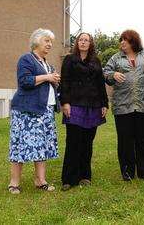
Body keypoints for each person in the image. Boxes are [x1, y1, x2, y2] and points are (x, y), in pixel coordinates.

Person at [8, 28, 60, 194]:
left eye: (51, 41)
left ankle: (40, 180)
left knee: (42, 146)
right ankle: (14, 183)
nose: (50, 44)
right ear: (36, 41)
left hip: (45, 111)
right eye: (47, 41)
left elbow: (48, 85)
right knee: (20, 146)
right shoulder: (27, 59)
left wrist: (54, 80)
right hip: (26, 111)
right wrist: (47, 77)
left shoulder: (47, 64)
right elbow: (24, 81)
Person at [104, 30, 144, 181]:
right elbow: (106, 73)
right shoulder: (115, 58)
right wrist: (112, 75)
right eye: (121, 40)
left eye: (124, 40)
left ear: (133, 41)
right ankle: (127, 171)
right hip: (122, 105)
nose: (121, 43)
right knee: (125, 140)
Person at [59, 33, 109, 191]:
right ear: (77, 43)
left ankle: (85, 176)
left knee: (87, 142)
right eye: (81, 40)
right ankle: (69, 178)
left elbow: (101, 84)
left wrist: (104, 104)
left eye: (86, 40)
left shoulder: (96, 60)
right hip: (74, 105)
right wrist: (65, 102)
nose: (83, 42)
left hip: (93, 105)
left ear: (90, 43)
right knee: (73, 141)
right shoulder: (69, 59)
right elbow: (64, 82)